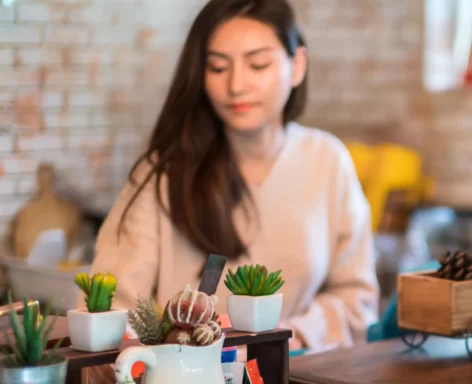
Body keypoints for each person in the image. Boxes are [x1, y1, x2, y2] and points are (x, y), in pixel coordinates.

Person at [91, 0, 378, 352]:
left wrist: (291, 335)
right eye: (217, 67)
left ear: (297, 65)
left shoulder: (327, 160)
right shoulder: (162, 173)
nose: (236, 85)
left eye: (258, 64)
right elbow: (110, 304)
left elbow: (356, 299)